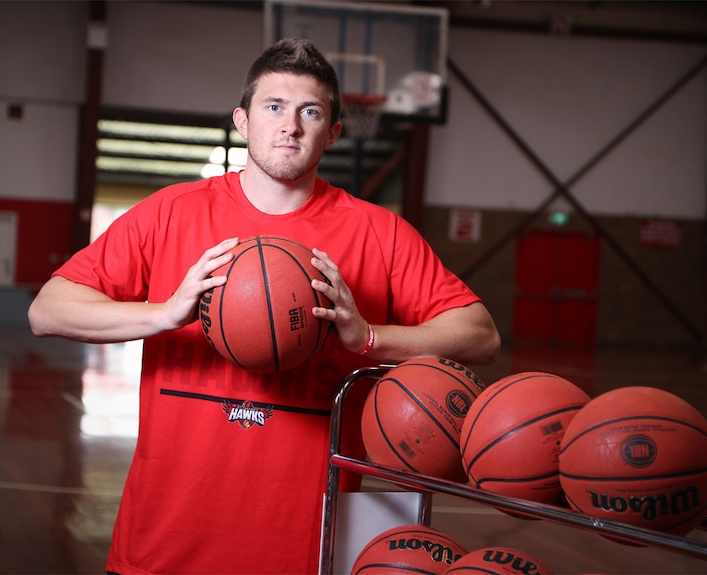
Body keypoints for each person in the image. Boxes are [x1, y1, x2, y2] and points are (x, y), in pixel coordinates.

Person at [29, 38, 501, 575]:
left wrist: (368, 337)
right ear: (243, 120)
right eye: (273, 107)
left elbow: (481, 336)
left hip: (302, 553)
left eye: (311, 112)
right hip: (161, 550)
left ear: (334, 132)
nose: (290, 126)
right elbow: (47, 310)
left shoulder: (380, 232)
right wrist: (163, 313)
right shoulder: (170, 214)